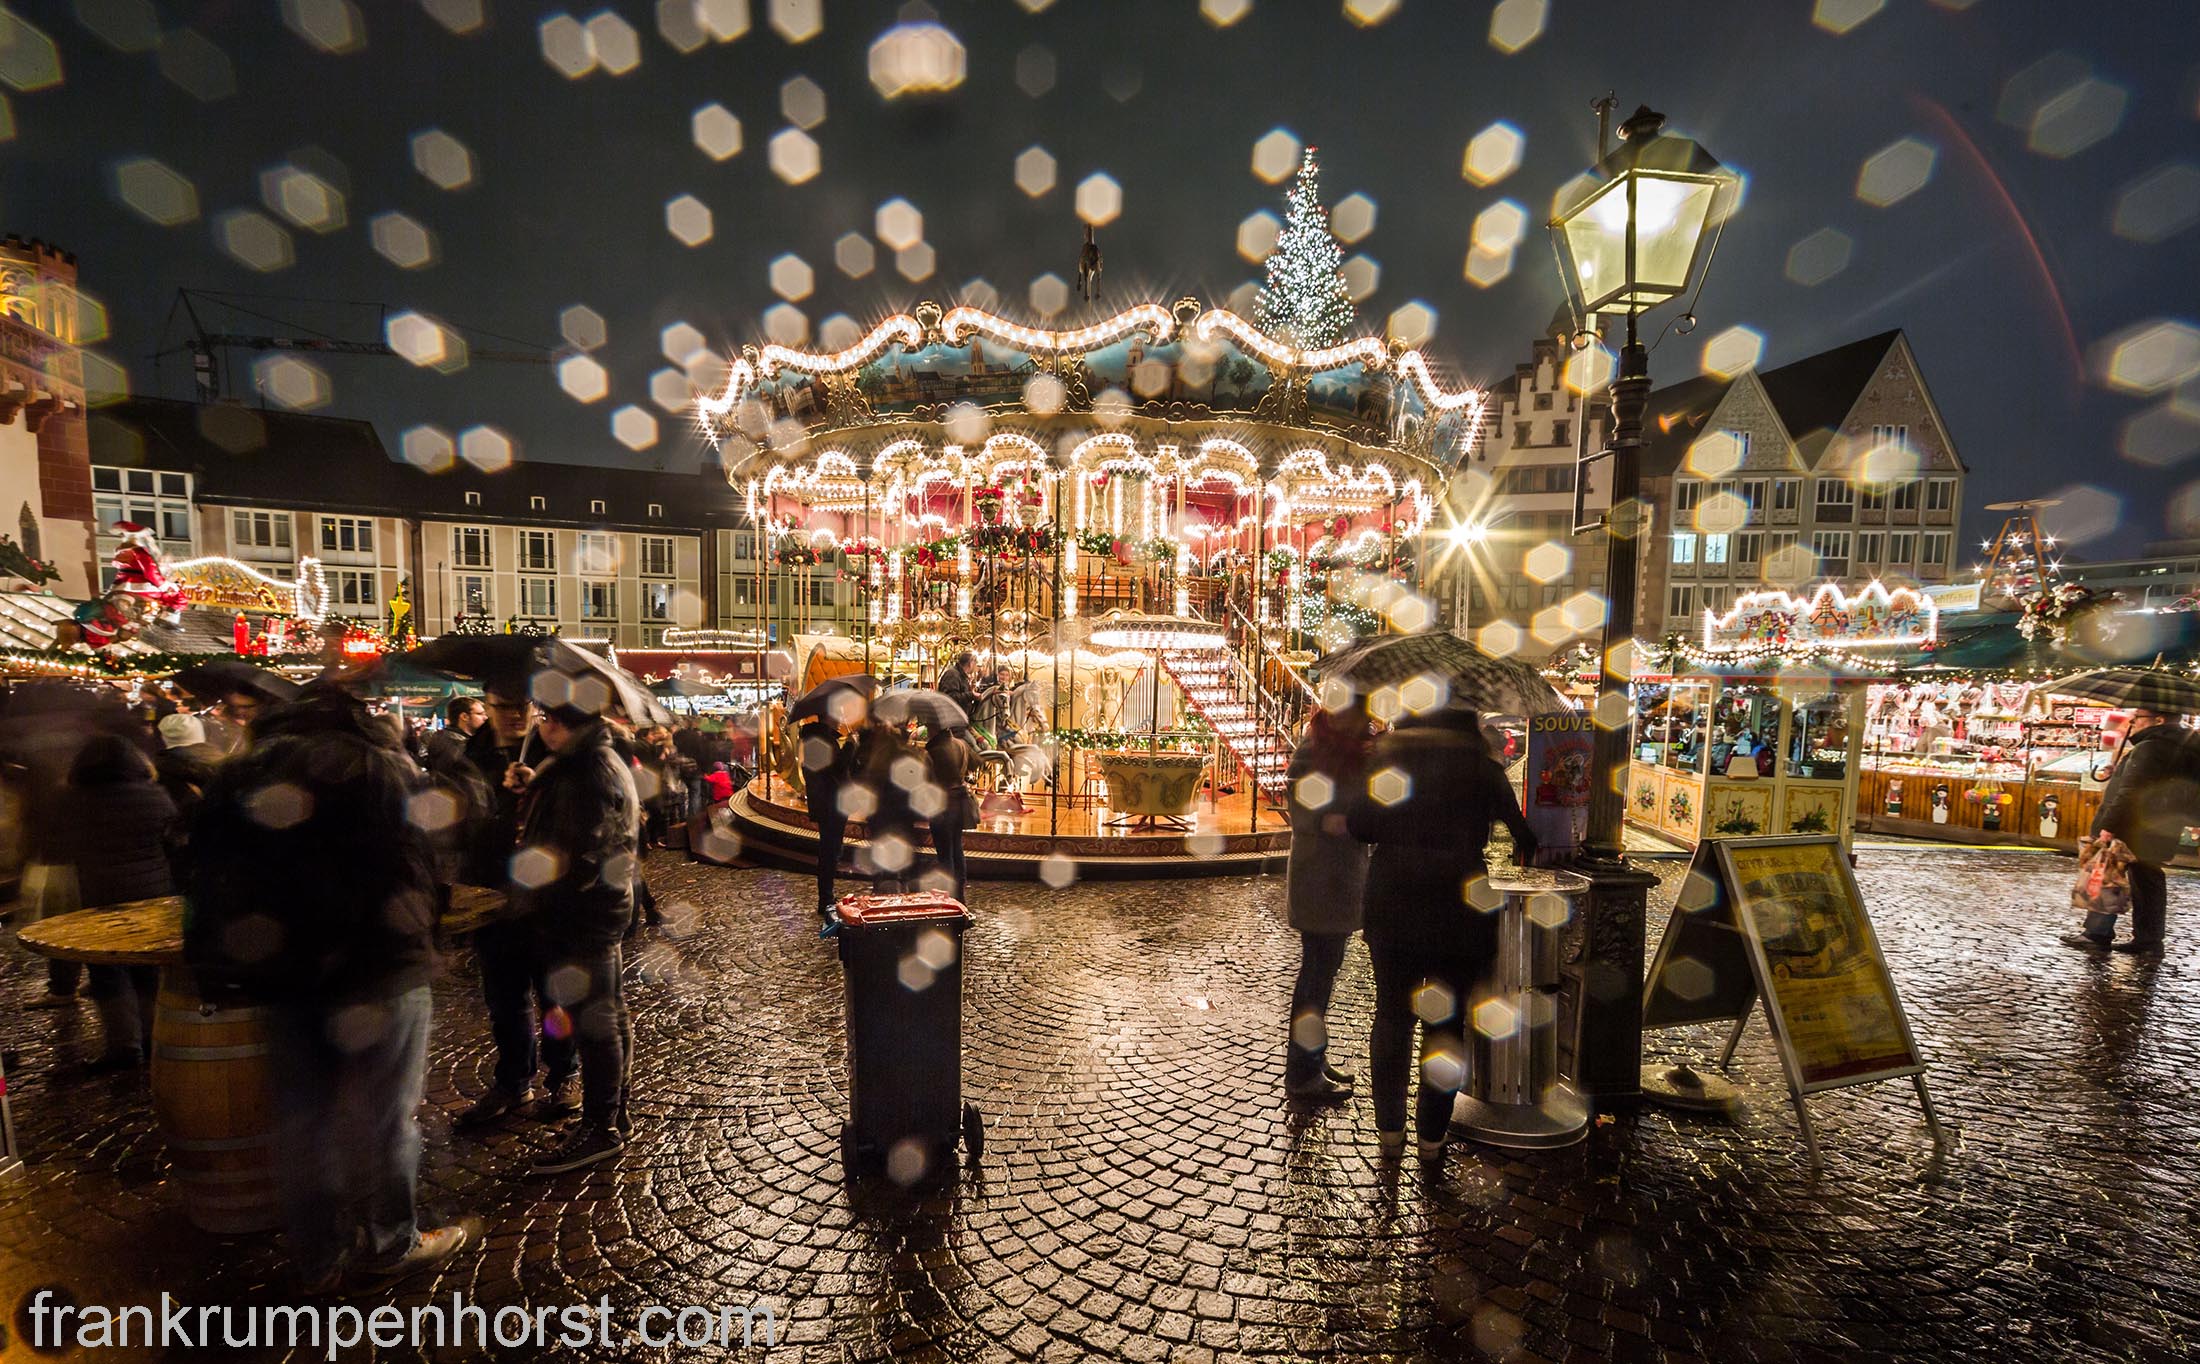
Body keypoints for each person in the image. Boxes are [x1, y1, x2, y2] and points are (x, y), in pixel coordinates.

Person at [183, 683, 468, 1289]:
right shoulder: (378, 767)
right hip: (379, 967)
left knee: (303, 1120)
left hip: (286, 973)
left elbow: (205, 874)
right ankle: (389, 1241)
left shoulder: (240, 774)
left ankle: (317, 1257)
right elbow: (420, 854)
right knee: (386, 1116)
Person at [1347, 701, 1537, 1160]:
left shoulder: (1389, 763)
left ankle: (1389, 1132)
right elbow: (1526, 837)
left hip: (1394, 904)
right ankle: (1432, 1137)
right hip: (1462, 906)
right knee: (1447, 1025)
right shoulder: (1482, 768)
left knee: (1393, 1015)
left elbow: (1358, 825)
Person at [509, 693, 641, 1175]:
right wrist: (533, 784)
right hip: (591, 909)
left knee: (595, 1021)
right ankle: (612, 1114)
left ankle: (601, 1126)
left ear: (563, 722)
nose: (539, 725)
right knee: (607, 1014)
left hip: (583, 913)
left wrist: (543, 886)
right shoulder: (580, 763)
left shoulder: (591, 771)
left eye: (545, 717)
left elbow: (587, 850)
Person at [453, 680, 577, 1128]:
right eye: (503, 706)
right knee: (504, 1001)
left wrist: (533, 793)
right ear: (486, 706)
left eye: (523, 704)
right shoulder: (470, 757)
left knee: (554, 997)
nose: (515, 714)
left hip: (546, 900)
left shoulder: (553, 753)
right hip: (492, 897)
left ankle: (564, 1076)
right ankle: (513, 1081)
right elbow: (459, 820)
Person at [51, 734, 175, 1070]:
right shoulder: (157, 797)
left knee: (107, 972)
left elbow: (59, 848)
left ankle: (123, 1047)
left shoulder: (73, 801)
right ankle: (154, 1040)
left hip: (98, 896)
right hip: (153, 895)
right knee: (147, 972)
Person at [1282, 702, 1374, 1101]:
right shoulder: (1315, 750)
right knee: (1316, 976)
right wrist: (1328, 820)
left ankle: (1313, 1059)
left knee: (1325, 972)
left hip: (1338, 876)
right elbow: (1302, 805)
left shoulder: (1346, 751)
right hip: (1320, 876)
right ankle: (1302, 1074)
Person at [2064, 709, 2198, 954]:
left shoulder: (2151, 747)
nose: (2134, 722)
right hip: (2162, 825)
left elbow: (2131, 791)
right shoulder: (2183, 746)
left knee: (2108, 872)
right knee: (2149, 880)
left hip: (2134, 824)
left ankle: (2097, 933)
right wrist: (2121, 769)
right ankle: (2149, 940)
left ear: (2159, 720)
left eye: (2140, 718)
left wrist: (2110, 825)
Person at [799, 702, 859, 938]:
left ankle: (826, 895)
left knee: (832, 848)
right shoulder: (821, 740)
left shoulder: (821, 738)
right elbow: (834, 768)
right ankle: (825, 897)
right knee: (829, 849)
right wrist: (850, 747)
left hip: (830, 801)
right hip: (830, 802)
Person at [924, 725, 973, 904]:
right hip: (959, 801)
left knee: (945, 853)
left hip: (942, 804)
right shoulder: (960, 745)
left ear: (934, 728)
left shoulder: (935, 751)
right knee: (956, 848)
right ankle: (959, 892)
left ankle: (949, 894)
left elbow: (929, 779)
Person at [426, 695, 486, 772]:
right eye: (480, 714)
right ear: (464, 717)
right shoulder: (458, 746)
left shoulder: (446, 739)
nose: (485, 718)